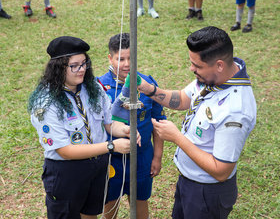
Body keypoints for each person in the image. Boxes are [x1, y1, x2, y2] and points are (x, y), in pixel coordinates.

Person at [138, 26, 257, 218]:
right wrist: (149, 89)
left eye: (197, 66)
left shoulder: (235, 111)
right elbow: (184, 99)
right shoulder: (215, 77)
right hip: (189, 181)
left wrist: (176, 137)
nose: (192, 69)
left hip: (207, 193)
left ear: (219, 65)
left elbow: (221, 171)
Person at [28, 36, 141, 219]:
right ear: (58, 67)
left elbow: (108, 124)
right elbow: (65, 151)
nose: (81, 70)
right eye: (74, 66)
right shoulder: (46, 102)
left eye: (84, 63)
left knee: (91, 213)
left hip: (97, 167)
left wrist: (125, 130)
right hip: (67, 172)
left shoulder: (93, 88)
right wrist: (111, 146)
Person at [98, 33, 166, 219]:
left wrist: (157, 157)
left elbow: (158, 122)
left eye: (131, 58)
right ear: (110, 58)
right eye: (121, 59)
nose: (127, 64)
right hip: (112, 159)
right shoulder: (99, 86)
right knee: (110, 202)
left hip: (142, 157)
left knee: (140, 201)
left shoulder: (147, 85)